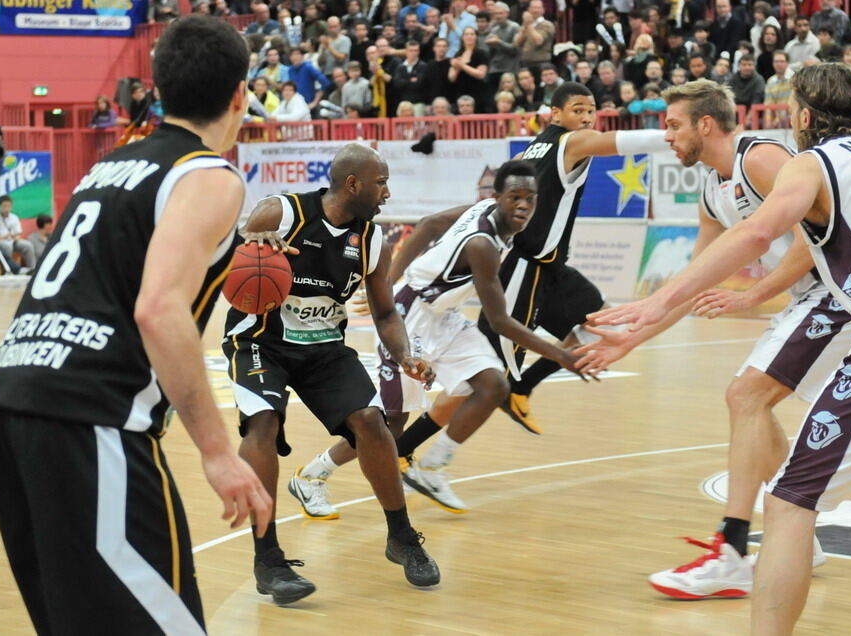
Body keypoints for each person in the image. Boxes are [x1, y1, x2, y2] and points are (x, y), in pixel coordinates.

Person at [587, 60, 851, 636]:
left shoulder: (811, 162)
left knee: (790, 502)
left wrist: (657, 301)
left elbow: (756, 234)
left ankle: (743, 570)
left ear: (802, 114)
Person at [0, 17, 271, 634]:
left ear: (160, 90)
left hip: (8, 397)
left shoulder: (109, 166)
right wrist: (218, 452)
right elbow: (158, 308)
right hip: (89, 414)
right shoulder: (210, 176)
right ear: (240, 94)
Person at [577, 77, 851, 599]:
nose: (667, 135)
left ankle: (731, 550)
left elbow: (819, 238)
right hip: (809, 301)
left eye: (674, 124)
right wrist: (633, 337)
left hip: (842, 293)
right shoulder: (710, 188)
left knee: (745, 396)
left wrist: (756, 295)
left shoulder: (763, 159)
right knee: (753, 402)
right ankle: (799, 537)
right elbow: (696, 278)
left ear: (706, 125)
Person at [290, 161, 586, 516]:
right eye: (515, 197)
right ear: (498, 198)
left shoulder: (490, 213)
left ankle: (432, 468)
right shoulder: (482, 245)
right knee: (391, 423)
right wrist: (560, 355)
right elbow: (500, 321)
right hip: (410, 317)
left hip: (443, 316)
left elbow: (429, 224)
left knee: (493, 385)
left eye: (530, 198)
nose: (523, 205)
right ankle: (311, 475)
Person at [225, 143, 440, 604]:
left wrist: (404, 355)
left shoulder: (372, 240)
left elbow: (384, 313)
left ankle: (401, 538)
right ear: (352, 183)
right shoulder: (281, 212)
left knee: (371, 422)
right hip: (261, 341)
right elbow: (233, 262)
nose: (387, 191)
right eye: (381, 182)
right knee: (263, 422)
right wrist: (252, 244)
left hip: (323, 346)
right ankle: (268, 559)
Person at [478, 82, 669, 434]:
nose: (585, 117)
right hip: (525, 268)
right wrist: (676, 134)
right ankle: (409, 449)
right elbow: (627, 143)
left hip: (550, 269)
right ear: (556, 114)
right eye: (577, 110)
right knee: (483, 380)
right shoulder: (573, 141)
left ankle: (523, 388)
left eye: (590, 110)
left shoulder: (532, 148)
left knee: (604, 325)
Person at [0, 195, 36, 272]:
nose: (7, 208)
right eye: (5, 206)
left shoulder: (14, 217)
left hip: (13, 241)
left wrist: (14, 237)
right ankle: (9, 270)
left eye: (9, 206)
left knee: (28, 245)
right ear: (0, 206)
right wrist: (6, 237)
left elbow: (18, 232)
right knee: (7, 246)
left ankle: (32, 269)